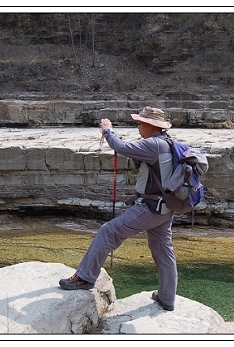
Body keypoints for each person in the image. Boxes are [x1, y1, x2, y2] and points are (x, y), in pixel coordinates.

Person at [58, 106, 177, 311]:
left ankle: (85, 278)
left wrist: (107, 130)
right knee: (163, 250)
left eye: (140, 123)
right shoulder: (167, 143)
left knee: (108, 231)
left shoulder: (153, 145)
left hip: (150, 208)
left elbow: (120, 147)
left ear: (151, 125)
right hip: (166, 208)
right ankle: (167, 298)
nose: (138, 126)